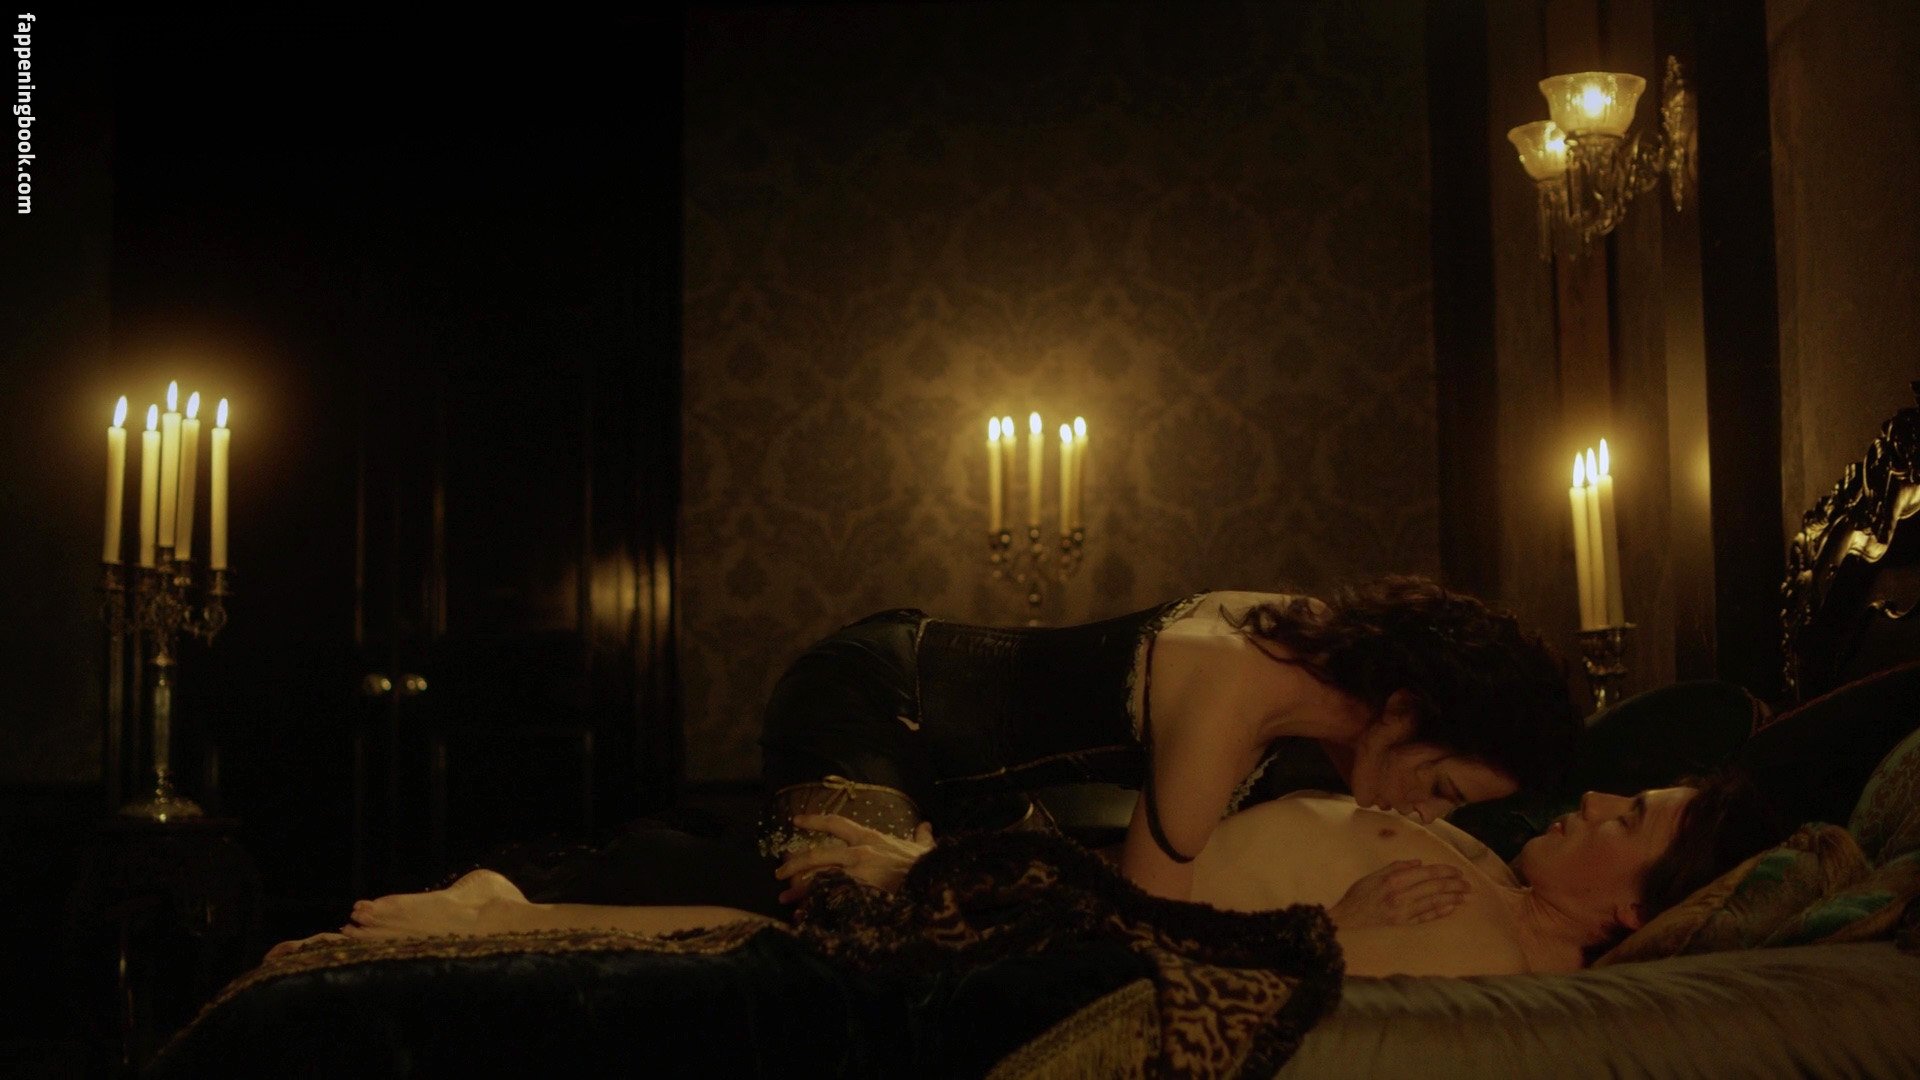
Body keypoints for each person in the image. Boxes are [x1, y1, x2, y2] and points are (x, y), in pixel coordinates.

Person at [302, 769, 1784, 978]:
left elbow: (1286, 986)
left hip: (1087, 941)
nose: (1600, 799)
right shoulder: (1482, 864)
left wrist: (1327, 918)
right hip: (1079, 884)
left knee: (778, 918)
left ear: (1632, 906)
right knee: (733, 857)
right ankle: (515, 898)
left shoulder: (1498, 957)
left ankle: (503, 923)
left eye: (1634, 817)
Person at [755, 576, 1579, 905]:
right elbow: (1145, 926)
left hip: (979, 780)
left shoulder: (1335, 671)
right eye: (1442, 788)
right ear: (1403, 711)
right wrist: (1340, 928)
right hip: (865, 696)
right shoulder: (1248, 687)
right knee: (844, 921)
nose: (1428, 814)